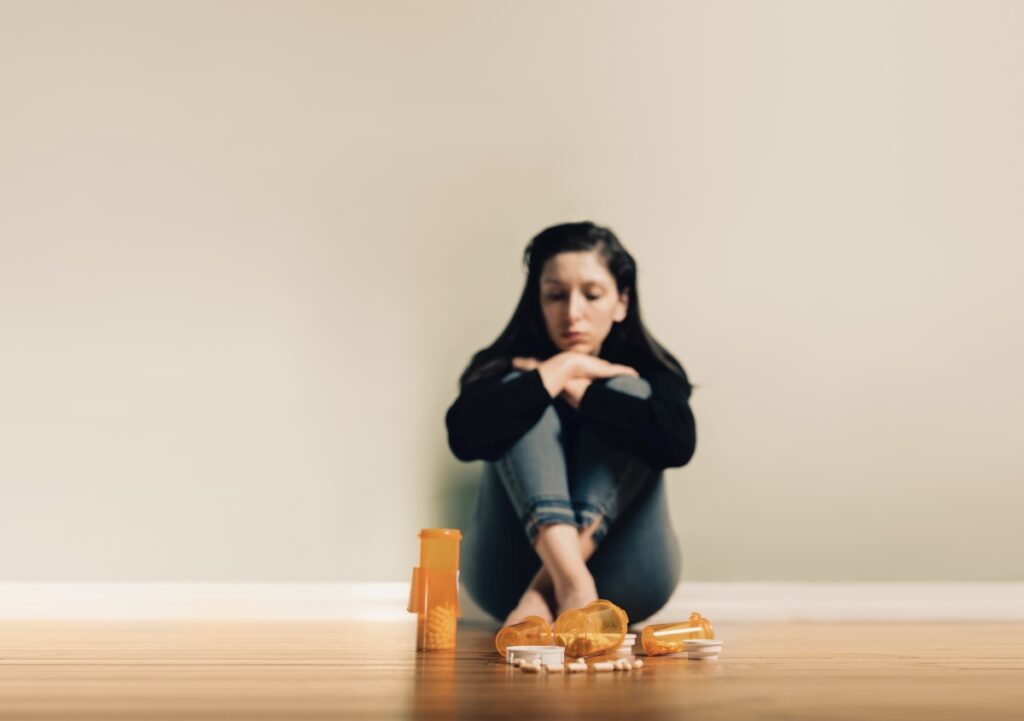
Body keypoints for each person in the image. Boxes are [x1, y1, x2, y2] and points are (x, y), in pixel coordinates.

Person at [444, 221, 696, 626]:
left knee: (632, 394)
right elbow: (463, 437)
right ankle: (572, 582)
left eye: (592, 295)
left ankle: (549, 592)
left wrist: (578, 388)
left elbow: (678, 443)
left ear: (621, 303)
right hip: (505, 576)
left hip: (629, 579)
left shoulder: (651, 369)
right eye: (556, 296)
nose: (572, 313)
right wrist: (561, 369)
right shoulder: (502, 364)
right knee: (520, 391)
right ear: (538, 303)